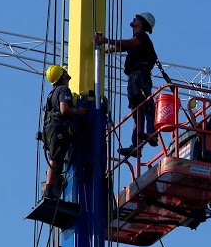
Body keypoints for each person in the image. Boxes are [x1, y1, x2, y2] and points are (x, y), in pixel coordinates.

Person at [95, 12, 158, 157]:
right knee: (137, 112)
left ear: (141, 23)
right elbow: (123, 46)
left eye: (137, 18)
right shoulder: (136, 41)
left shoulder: (142, 37)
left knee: (147, 105)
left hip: (141, 77)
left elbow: (128, 44)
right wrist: (104, 50)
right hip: (134, 79)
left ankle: (152, 133)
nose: (134, 19)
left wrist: (106, 40)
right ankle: (136, 146)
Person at [41, 65, 88, 199]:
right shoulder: (63, 90)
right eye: (65, 73)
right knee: (56, 160)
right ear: (62, 76)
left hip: (50, 130)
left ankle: (51, 187)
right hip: (57, 129)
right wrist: (81, 112)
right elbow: (64, 110)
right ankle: (49, 189)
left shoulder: (52, 94)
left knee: (57, 159)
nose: (67, 75)